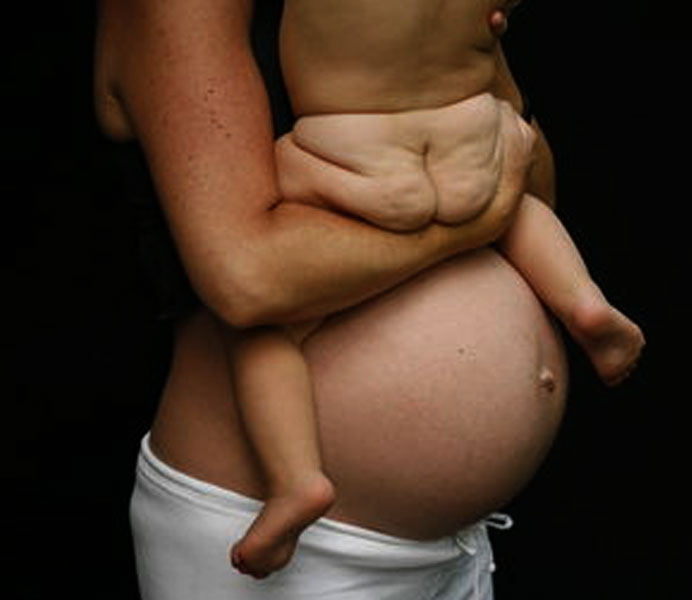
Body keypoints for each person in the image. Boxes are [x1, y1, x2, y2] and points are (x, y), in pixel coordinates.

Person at [94, 0, 629, 597]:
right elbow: (248, 281)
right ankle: (295, 479)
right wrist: (471, 216)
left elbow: (532, 178)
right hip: (291, 546)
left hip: (451, 543)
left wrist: (454, 57)